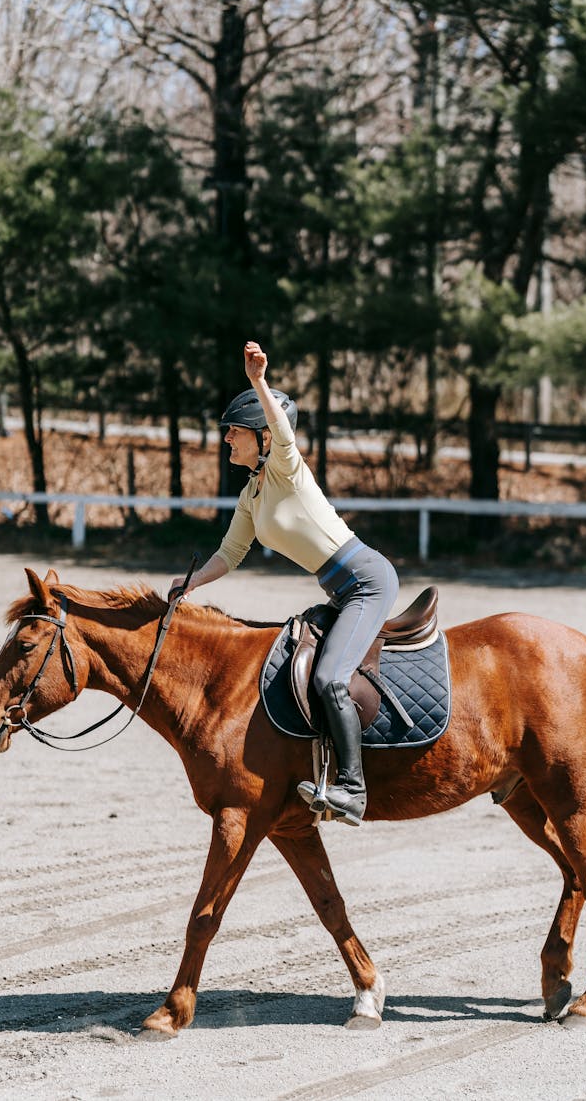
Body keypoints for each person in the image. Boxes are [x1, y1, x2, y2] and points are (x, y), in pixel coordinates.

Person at [170, 341, 399, 826]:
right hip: (340, 589)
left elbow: (284, 432)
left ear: (263, 437)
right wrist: (189, 584)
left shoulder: (286, 469)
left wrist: (258, 380)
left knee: (330, 678)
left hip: (367, 582)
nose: (227, 439)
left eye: (235, 431)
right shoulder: (252, 493)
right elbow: (229, 555)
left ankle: (353, 791)